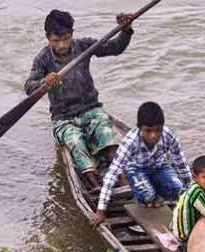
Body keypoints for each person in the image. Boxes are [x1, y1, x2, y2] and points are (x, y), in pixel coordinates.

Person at [25, 9, 134, 187]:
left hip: (91, 109)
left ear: (72, 35)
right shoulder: (43, 59)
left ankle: (122, 180)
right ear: (48, 38)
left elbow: (115, 48)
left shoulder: (83, 46)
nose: (62, 45)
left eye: (66, 39)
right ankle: (95, 185)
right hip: (64, 118)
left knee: (107, 134)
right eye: (56, 41)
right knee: (75, 141)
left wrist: (126, 30)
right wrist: (44, 82)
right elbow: (29, 87)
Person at [91, 102, 192, 227]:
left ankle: (155, 191)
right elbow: (112, 174)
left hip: (159, 167)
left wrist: (191, 190)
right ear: (139, 128)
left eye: (157, 130)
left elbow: (181, 164)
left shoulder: (169, 136)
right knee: (147, 195)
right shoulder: (130, 141)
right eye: (148, 131)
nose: (153, 135)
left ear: (162, 127)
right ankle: (148, 194)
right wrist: (101, 211)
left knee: (179, 189)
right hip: (136, 170)